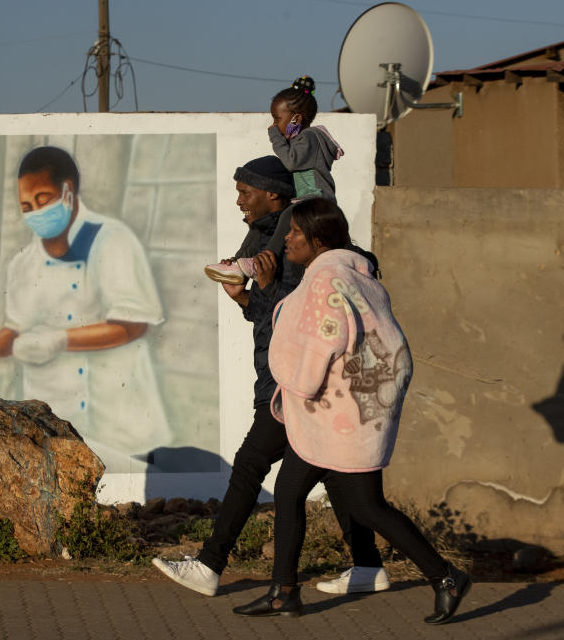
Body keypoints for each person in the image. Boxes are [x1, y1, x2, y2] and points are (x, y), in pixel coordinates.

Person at [153, 156, 389, 597]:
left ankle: (212, 566)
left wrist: (259, 291)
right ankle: (366, 566)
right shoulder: (265, 237)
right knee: (337, 476)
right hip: (287, 376)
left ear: (273, 194)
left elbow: (294, 318)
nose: (239, 200)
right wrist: (243, 296)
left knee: (250, 466)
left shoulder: (294, 242)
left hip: (297, 382)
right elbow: (265, 318)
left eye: (246, 191)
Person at [233, 200, 470, 624]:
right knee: (293, 492)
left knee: (366, 506)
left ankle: (445, 577)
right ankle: (283, 592)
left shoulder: (327, 281)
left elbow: (318, 342)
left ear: (318, 240)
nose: (286, 239)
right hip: (346, 410)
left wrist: (297, 381)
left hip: (338, 412)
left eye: (296, 233)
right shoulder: (351, 274)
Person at [0, 146, 169, 471]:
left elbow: (133, 324)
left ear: (68, 192)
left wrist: (59, 340)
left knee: (131, 512)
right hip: (57, 424)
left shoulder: (112, 241)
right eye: (26, 206)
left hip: (117, 420)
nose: (35, 211)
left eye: (43, 199)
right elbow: (16, 328)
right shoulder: (23, 264)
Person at [204, 76, 343, 285]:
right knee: (266, 222)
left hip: (316, 200)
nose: (274, 125)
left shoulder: (310, 137)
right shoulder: (302, 140)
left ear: (296, 119)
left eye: (277, 119)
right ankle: (238, 262)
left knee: (288, 214)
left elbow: (291, 162)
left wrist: (275, 136)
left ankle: (259, 262)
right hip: (305, 200)